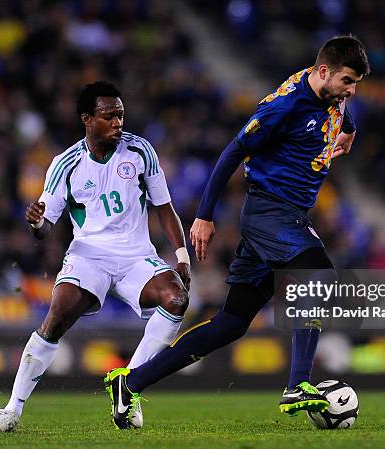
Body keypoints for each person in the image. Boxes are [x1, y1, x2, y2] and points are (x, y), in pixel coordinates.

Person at [105, 35, 370, 429]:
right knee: (319, 276)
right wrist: (205, 216)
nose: (351, 91)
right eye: (348, 81)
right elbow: (233, 150)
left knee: (232, 322)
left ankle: (133, 382)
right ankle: (298, 384)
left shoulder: (331, 94)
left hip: (285, 216)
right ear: (323, 72)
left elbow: (342, 111)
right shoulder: (284, 107)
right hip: (270, 213)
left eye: (356, 84)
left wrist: (348, 129)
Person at [0, 81, 191, 432]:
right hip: (89, 255)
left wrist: (182, 256)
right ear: (87, 119)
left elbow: (165, 208)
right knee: (56, 317)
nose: (118, 123)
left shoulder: (141, 152)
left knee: (177, 298)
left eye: (121, 115)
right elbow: (45, 225)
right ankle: (12, 410)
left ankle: (129, 387)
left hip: (135, 255)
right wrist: (36, 223)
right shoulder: (66, 164)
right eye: (109, 116)